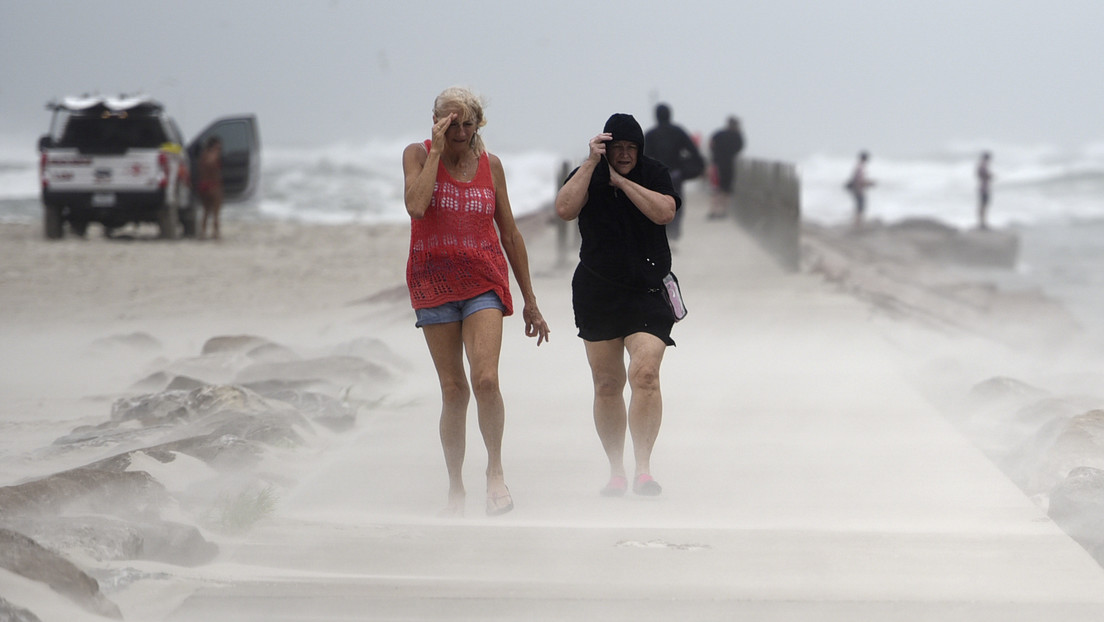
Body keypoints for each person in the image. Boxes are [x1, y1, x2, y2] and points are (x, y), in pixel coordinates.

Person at [402, 86, 550, 517]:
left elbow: (510, 234)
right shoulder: (416, 154)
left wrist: (531, 301)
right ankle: (454, 488)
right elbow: (416, 205)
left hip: (484, 281)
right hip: (432, 283)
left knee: (485, 380)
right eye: (451, 123)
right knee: (453, 390)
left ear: (478, 123)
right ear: (436, 121)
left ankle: (496, 473)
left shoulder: (492, 166)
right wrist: (434, 152)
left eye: (468, 123)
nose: (460, 131)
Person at [555, 113, 681, 498]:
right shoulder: (587, 172)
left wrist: (622, 182)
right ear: (605, 147)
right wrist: (593, 164)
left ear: (639, 150)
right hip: (598, 292)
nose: (624, 154)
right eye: (617, 148)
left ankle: (643, 468)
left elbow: (664, 212)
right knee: (607, 384)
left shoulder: (654, 173)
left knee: (645, 375)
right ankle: (616, 470)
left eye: (631, 148)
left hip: (647, 291)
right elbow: (564, 209)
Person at [643, 103, 703, 241]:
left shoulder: (651, 134)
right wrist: (689, 169)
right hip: (676, 174)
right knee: (676, 205)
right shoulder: (678, 132)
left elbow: (644, 157)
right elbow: (693, 151)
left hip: (657, 175)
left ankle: (661, 234)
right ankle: (673, 236)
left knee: (657, 204)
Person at [708, 116, 745, 219]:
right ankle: (723, 212)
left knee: (716, 189)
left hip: (716, 164)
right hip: (729, 164)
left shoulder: (719, 134)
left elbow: (711, 145)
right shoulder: (737, 136)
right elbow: (740, 148)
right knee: (726, 189)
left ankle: (713, 211)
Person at [197, 136, 223, 239]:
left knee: (206, 211)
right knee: (216, 213)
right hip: (213, 185)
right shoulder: (214, 154)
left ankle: (203, 233)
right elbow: (211, 163)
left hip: (203, 184)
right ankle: (215, 233)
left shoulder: (203, 155)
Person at [845, 151, 874, 229]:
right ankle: (857, 224)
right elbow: (859, 180)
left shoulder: (858, 166)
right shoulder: (860, 167)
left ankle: (856, 223)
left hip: (856, 189)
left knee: (859, 207)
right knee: (860, 207)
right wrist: (868, 183)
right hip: (858, 190)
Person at [977, 151, 994, 230]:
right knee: (983, 206)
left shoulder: (981, 165)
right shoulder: (983, 165)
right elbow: (984, 175)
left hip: (983, 187)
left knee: (983, 205)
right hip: (984, 188)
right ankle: (982, 223)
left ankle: (982, 222)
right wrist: (990, 176)